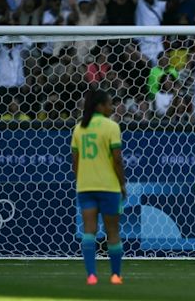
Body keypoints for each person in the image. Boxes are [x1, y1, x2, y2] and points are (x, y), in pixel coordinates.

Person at [71, 89, 126, 285]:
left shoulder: (79, 128)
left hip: (85, 187)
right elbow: (117, 160)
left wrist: (82, 180)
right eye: (110, 103)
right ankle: (115, 275)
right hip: (108, 186)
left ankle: (91, 275)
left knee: (88, 231)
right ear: (100, 106)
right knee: (112, 231)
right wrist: (122, 184)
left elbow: (75, 162)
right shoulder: (111, 127)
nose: (112, 107)